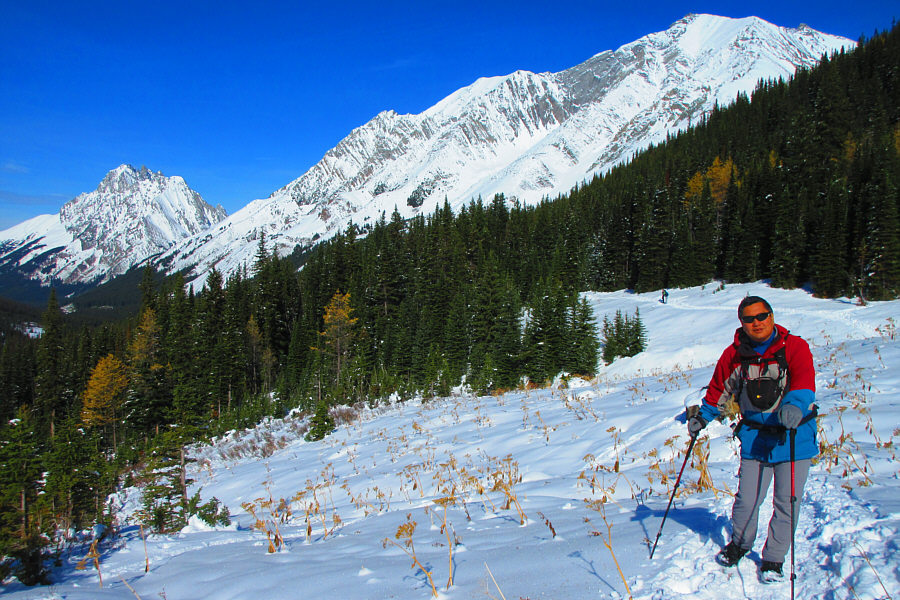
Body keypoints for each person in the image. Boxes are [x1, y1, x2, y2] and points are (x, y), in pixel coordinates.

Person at [687, 296, 818, 583]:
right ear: (741, 323)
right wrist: (703, 418)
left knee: (787, 501)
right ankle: (740, 544)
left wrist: (795, 406)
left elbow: (805, 382)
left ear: (771, 316)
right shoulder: (734, 355)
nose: (756, 323)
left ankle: (774, 558)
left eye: (761, 316)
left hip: (794, 437)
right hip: (755, 438)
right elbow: (719, 390)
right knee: (747, 499)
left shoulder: (795, 347)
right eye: (749, 319)